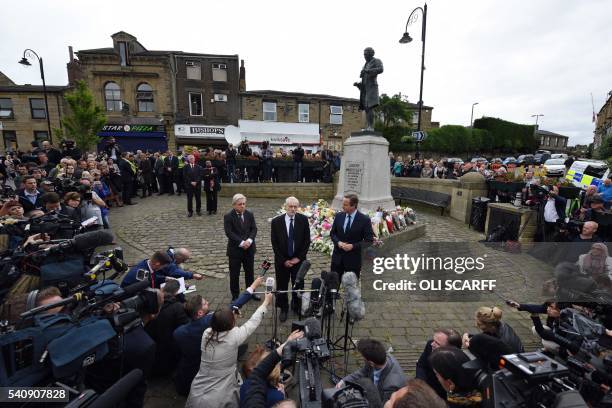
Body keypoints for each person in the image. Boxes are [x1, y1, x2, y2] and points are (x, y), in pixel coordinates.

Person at [173, 277, 264, 396]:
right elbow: (236, 304)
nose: (208, 303)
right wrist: (253, 285)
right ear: (200, 313)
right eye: (205, 303)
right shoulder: (209, 322)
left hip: (188, 373)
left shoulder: (178, 332)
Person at [185, 292, 273, 408]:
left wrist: (231, 318)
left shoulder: (206, 333)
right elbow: (253, 322)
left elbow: (222, 326)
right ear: (230, 325)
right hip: (223, 382)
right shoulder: (234, 337)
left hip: (203, 380)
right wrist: (266, 302)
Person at [270, 196, 310, 322]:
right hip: (282, 260)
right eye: (290, 206)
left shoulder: (303, 220)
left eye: (295, 207)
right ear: (285, 207)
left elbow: (306, 241)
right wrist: (283, 260)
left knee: (298, 284)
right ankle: (283, 308)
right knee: (282, 285)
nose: (293, 209)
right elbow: (274, 243)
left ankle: (296, 305)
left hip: (298, 260)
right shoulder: (276, 222)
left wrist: (298, 258)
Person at [240, 330, 304, 408]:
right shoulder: (277, 396)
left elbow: (257, 375)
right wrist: (282, 395)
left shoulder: (247, 386)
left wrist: (285, 344)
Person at [336, 338, 407, 404]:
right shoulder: (381, 357)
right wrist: (343, 381)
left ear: (371, 363)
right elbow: (362, 372)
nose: (363, 360)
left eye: (364, 359)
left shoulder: (390, 386)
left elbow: (382, 405)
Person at [144, 279, 189, 376]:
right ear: (177, 292)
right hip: (168, 356)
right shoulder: (178, 308)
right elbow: (185, 329)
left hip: (150, 353)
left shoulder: (149, 304)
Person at [224, 194, 259, 300]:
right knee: (234, 274)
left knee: (250, 273)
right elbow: (229, 232)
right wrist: (241, 242)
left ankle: (251, 292)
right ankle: (235, 296)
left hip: (249, 249)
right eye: (240, 204)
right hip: (235, 251)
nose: (242, 206)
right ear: (234, 205)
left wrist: (249, 241)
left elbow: (254, 229)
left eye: (244, 204)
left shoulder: (249, 214)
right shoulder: (228, 216)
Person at [330, 194, 374, 278]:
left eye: (345, 205)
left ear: (353, 205)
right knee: (333, 285)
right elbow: (333, 234)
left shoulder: (364, 220)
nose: (342, 207)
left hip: (353, 260)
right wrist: (338, 242)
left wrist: (353, 246)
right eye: (343, 204)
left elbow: (369, 241)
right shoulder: (339, 216)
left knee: (351, 287)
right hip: (337, 258)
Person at [416, 328, 462, 400]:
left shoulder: (457, 365)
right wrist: (421, 383)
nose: (432, 344)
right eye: (433, 340)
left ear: (449, 349)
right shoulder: (430, 345)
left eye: (437, 343)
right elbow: (421, 365)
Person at [354, 47, 383, 130]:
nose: (364, 56)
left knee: (370, 107)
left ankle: (371, 126)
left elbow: (381, 69)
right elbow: (364, 78)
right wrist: (358, 84)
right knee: (366, 108)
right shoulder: (365, 64)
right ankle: (368, 126)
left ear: (371, 54)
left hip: (372, 88)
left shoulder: (376, 61)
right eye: (364, 54)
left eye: (366, 54)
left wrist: (367, 70)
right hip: (365, 89)